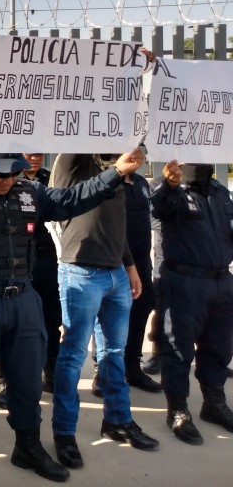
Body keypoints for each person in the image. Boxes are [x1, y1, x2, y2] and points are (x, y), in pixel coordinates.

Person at [0, 95, 145, 487]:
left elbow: (74, 198)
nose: (8, 179)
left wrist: (116, 172)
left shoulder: (30, 192)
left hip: (23, 302)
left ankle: (28, 446)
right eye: (0, 172)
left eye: (14, 171)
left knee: (26, 381)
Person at [49, 153, 159, 470]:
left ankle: (118, 420)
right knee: (72, 356)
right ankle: (64, 432)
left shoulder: (116, 172)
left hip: (117, 276)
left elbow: (117, 226)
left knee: (114, 351)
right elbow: (78, 136)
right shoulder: (73, 165)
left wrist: (130, 268)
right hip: (80, 274)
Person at [150, 161, 233, 445]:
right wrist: (171, 184)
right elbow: (159, 207)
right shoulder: (169, 190)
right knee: (178, 347)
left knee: (219, 346)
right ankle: (178, 409)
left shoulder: (220, 191)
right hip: (185, 282)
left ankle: (214, 402)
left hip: (222, 281)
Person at [21, 153, 60, 394]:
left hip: (49, 257)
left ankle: (51, 371)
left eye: (38, 153)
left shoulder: (51, 179)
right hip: (21, 256)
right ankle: (9, 378)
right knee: (19, 323)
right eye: (29, 154)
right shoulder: (11, 180)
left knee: (52, 320)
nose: (34, 158)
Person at [122, 168, 162, 393]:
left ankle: (133, 367)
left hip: (142, 260)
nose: (136, 155)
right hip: (115, 260)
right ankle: (104, 371)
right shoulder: (109, 182)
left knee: (141, 309)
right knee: (109, 317)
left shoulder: (141, 183)